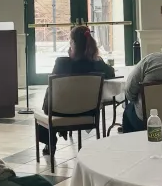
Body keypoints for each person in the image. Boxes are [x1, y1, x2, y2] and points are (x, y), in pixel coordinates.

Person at [38, 25, 116, 154]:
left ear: (73, 44)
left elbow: (54, 88)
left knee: (49, 91)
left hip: (59, 111)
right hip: (88, 112)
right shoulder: (97, 64)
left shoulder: (62, 63)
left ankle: (50, 142)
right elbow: (111, 73)